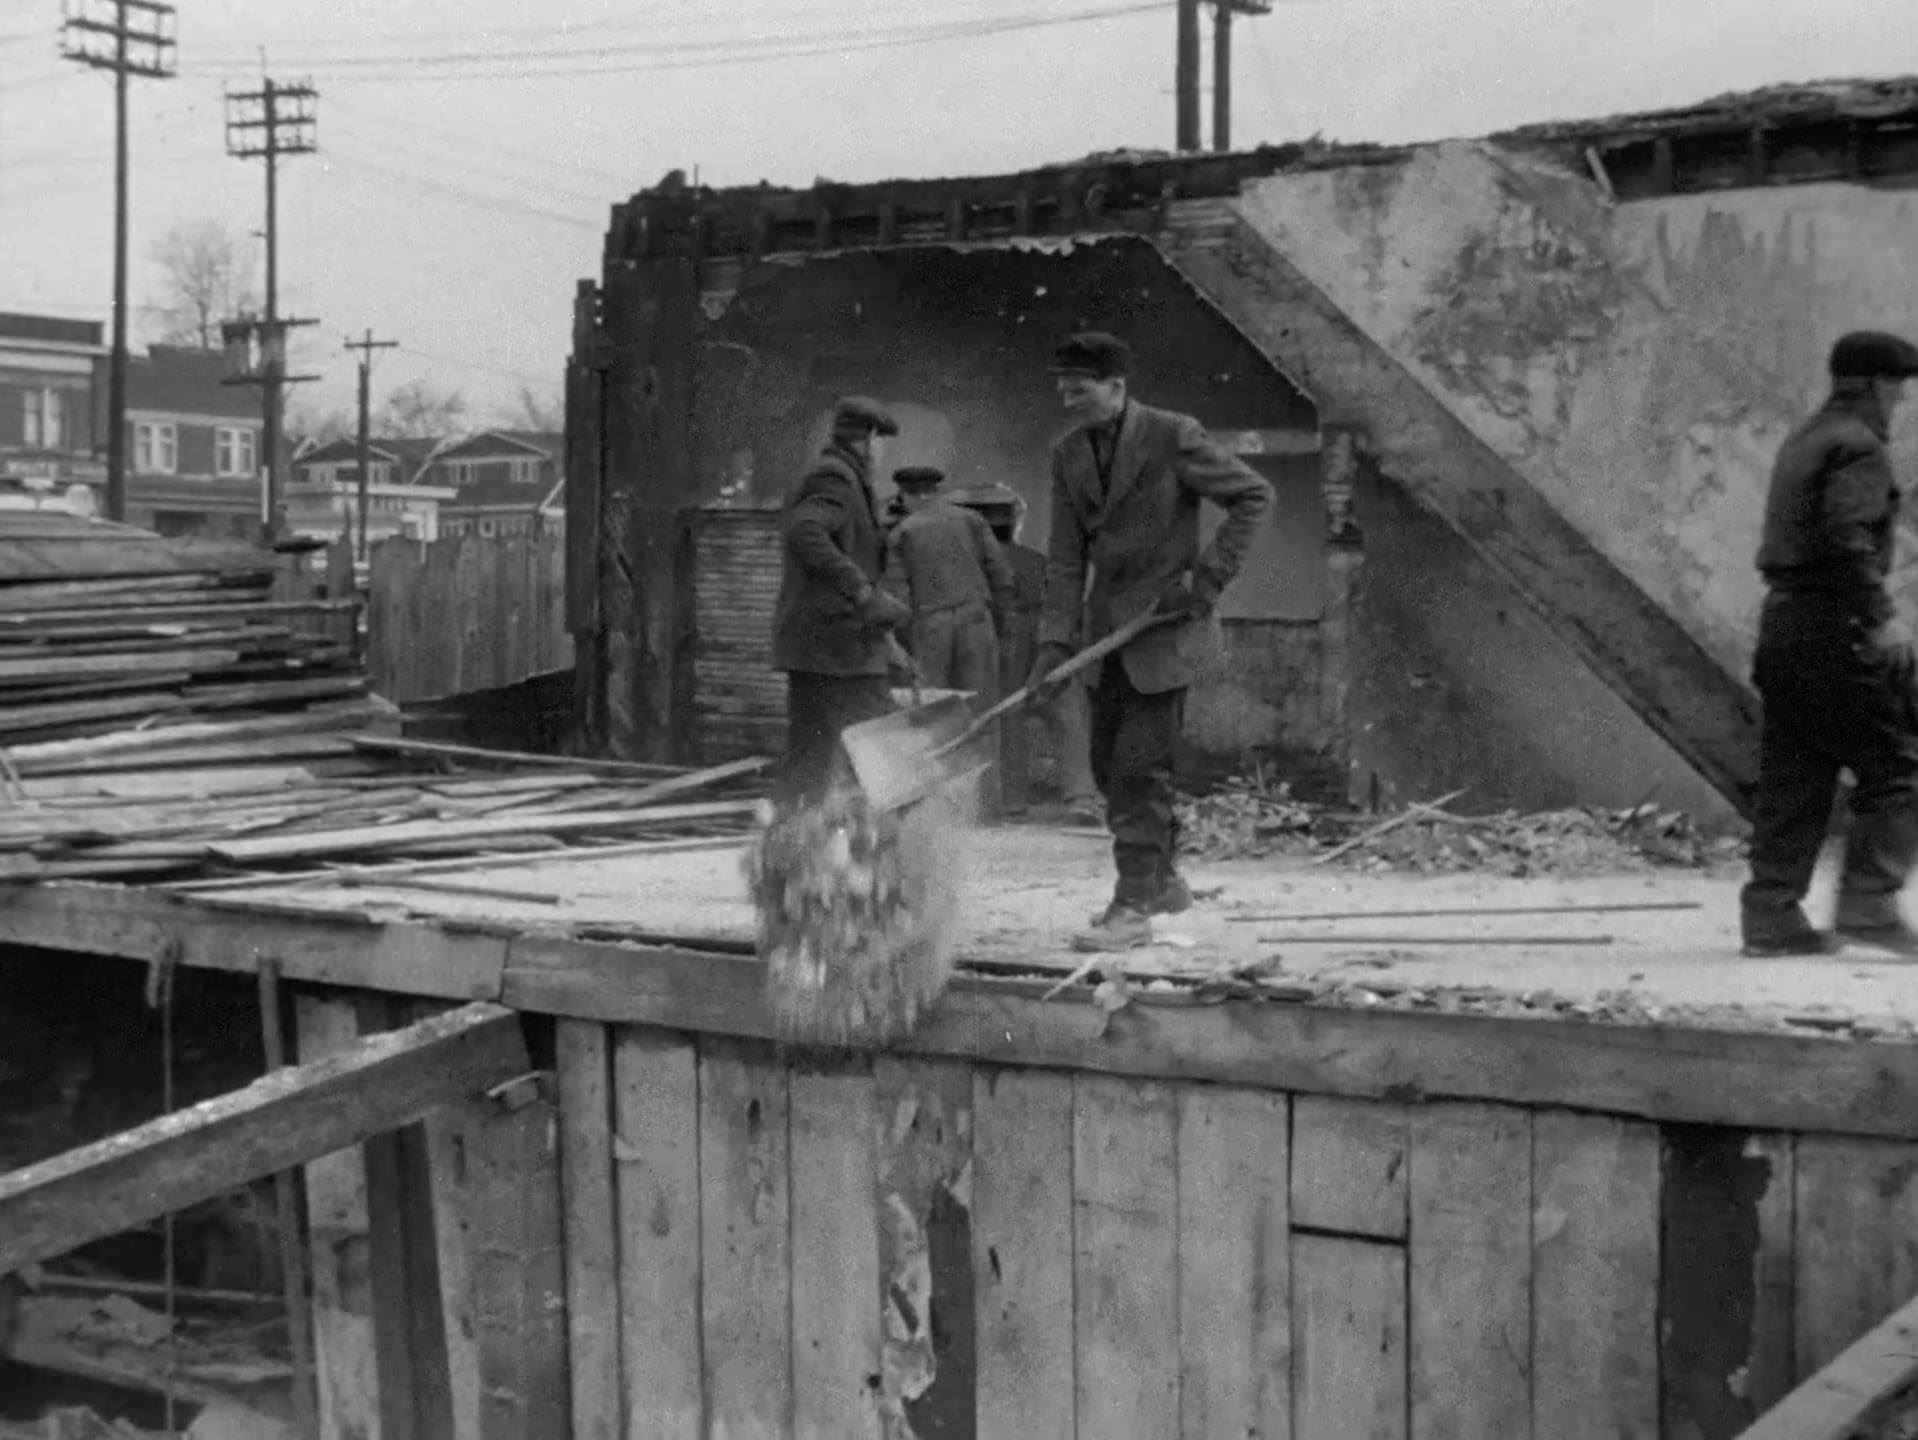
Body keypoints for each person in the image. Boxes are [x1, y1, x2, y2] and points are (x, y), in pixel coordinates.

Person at [1028, 331, 1273, 945]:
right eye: (1062, 389)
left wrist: (1206, 580)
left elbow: (1253, 495)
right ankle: (1161, 880)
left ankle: (1133, 906)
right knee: (1112, 769)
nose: (1068, 399)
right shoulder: (1067, 455)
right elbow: (1064, 559)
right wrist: (1054, 643)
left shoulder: (1172, 435)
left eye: (1080, 389)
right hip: (1104, 637)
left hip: (1165, 630)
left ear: (1117, 387)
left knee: (1140, 768)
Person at [1741, 330, 1918, 956]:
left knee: (1797, 772)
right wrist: (1881, 616)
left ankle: (1771, 916)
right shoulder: (1858, 445)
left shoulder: (1805, 437)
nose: (1899, 402)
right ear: (1874, 385)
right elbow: (1848, 534)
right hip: (1834, 628)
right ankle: (1868, 907)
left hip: (1783, 627)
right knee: (1897, 764)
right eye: (1897, 389)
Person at [769, 396, 912, 808]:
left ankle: (785, 864)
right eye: (881, 442)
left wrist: (889, 642)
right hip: (837, 649)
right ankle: (893, 859)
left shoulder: (841, 478)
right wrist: (864, 592)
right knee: (887, 753)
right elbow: (806, 533)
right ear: (867, 439)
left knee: (808, 767)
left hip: (824, 647)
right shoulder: (835, 477)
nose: (882, 453)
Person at [883, 466, 1015, 696]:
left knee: (933, 707)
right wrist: (1001, 620)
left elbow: (898, 598)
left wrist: (903, 642)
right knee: (980, 704)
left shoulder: (901, 533)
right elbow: (1001, 574)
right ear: (936, 491)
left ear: (905, 495)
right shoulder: (972, 520)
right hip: (976, 621)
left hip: (930, 628)